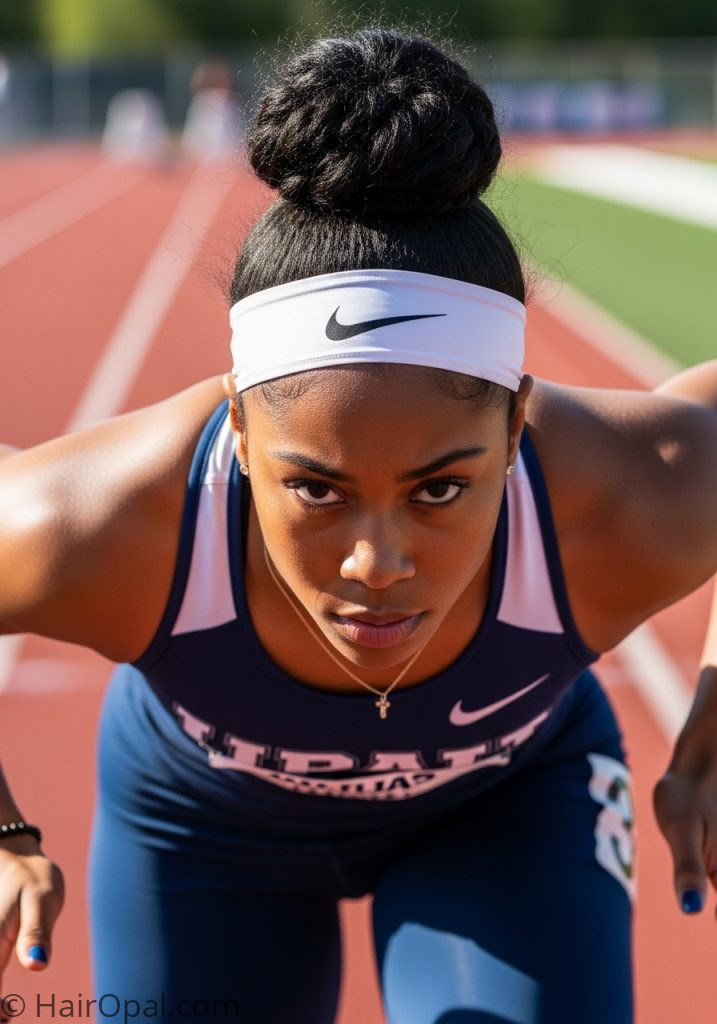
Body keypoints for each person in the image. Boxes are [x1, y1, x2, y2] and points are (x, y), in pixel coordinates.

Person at [0, 28, 715, 1024]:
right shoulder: (113, 528)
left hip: (503, 810)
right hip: (198, 828)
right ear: (239, 429)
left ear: (515, 425)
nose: (376, 564)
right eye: (318, 490)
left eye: (439, 490)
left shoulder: (615, 500)